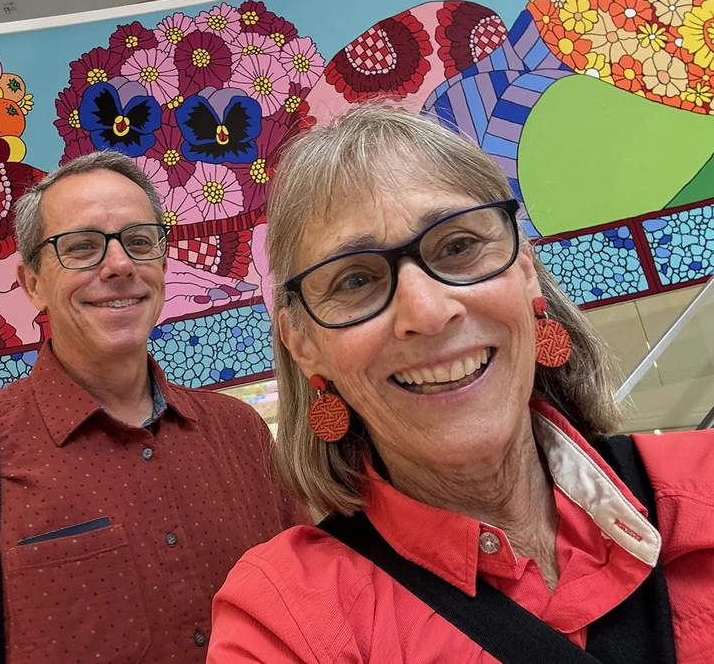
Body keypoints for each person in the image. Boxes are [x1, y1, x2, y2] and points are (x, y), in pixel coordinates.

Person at [207, 105, 714, 663]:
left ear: (524, 269)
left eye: (457, 246)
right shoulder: (285, 619)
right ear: (302, 343)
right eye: (355, 279)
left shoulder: (701, 485)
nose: (426, 311)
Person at [0, 150, 308, 663]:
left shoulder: (240, 434)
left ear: (162, 265)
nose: (118, 266)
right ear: (33, 285)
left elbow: (313, 608)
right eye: (81, 247)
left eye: (139, 242)